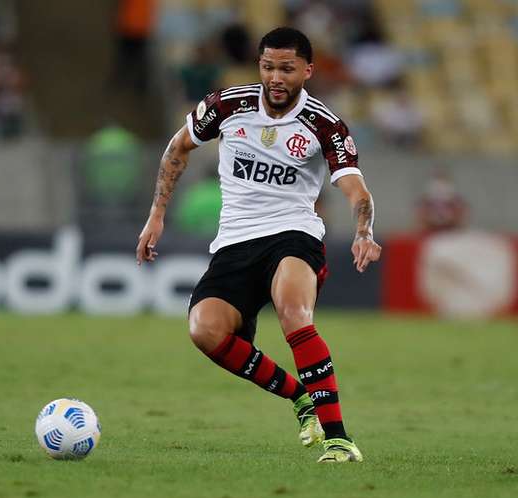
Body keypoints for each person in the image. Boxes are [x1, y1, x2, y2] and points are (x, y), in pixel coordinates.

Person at [135, 27, 380, 463]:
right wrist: (156, 215)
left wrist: (363, 231)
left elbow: (357, 190)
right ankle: (300, 398)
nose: (276, 78)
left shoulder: (324, 124)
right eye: (268, 67)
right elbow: (177, 149)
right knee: (204, 330)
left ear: (307, 70)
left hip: (295, 235)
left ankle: (339, 438)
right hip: (235, 241)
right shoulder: (227, 106)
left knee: (294, 314)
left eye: (287, 68)